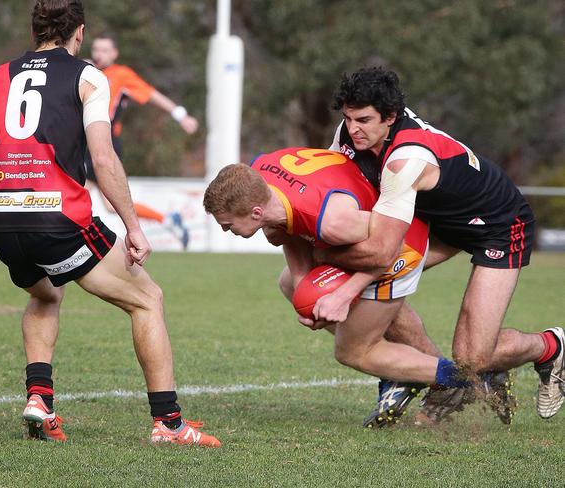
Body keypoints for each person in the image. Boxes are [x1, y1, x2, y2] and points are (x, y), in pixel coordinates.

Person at [0, 0, 219, 447]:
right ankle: (169, 425)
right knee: (148, 298)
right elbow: (104, 159)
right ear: (79, 33)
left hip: (5, 222)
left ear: (35, 31)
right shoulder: (87, 75)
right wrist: (133, 226)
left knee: (46, 293)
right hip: (59, 218)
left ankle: (40, 400)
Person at [322, 66, 564, 421]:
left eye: (364, 120)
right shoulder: (349, 133)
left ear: (391, 117)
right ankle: (442, 381)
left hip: (498, 222)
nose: (354, 128)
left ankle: (551, 347)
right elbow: (337, 187)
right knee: (364, 279)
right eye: (348, 118)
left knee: (473, 357)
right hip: (438, 222)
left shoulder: (407, 158)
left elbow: (385, 250)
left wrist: (342, 293)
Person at [203, 148, 510, 427]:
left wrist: (341, 295)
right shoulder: (260, 179)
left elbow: (385, 248)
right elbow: (289, 229)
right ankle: (402, 373)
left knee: (354, 350)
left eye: (228, 225)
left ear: (256, 213)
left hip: (398, 247)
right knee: (290, 284)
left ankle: (460, 381)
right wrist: (303, 290)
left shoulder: (334, 223)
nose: (225, 230)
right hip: (354, 234)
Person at [85, 34, 197, 249]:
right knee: (110, 205)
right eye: (96, 49)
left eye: (105, 50)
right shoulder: (87, 71)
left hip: (105, 144)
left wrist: (181, 115)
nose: (99, 54)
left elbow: (152, 94)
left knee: (74, 190)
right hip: (88, 144)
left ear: (115, 54)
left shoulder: (121, 75)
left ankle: (64, 241)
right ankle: (167, 219)